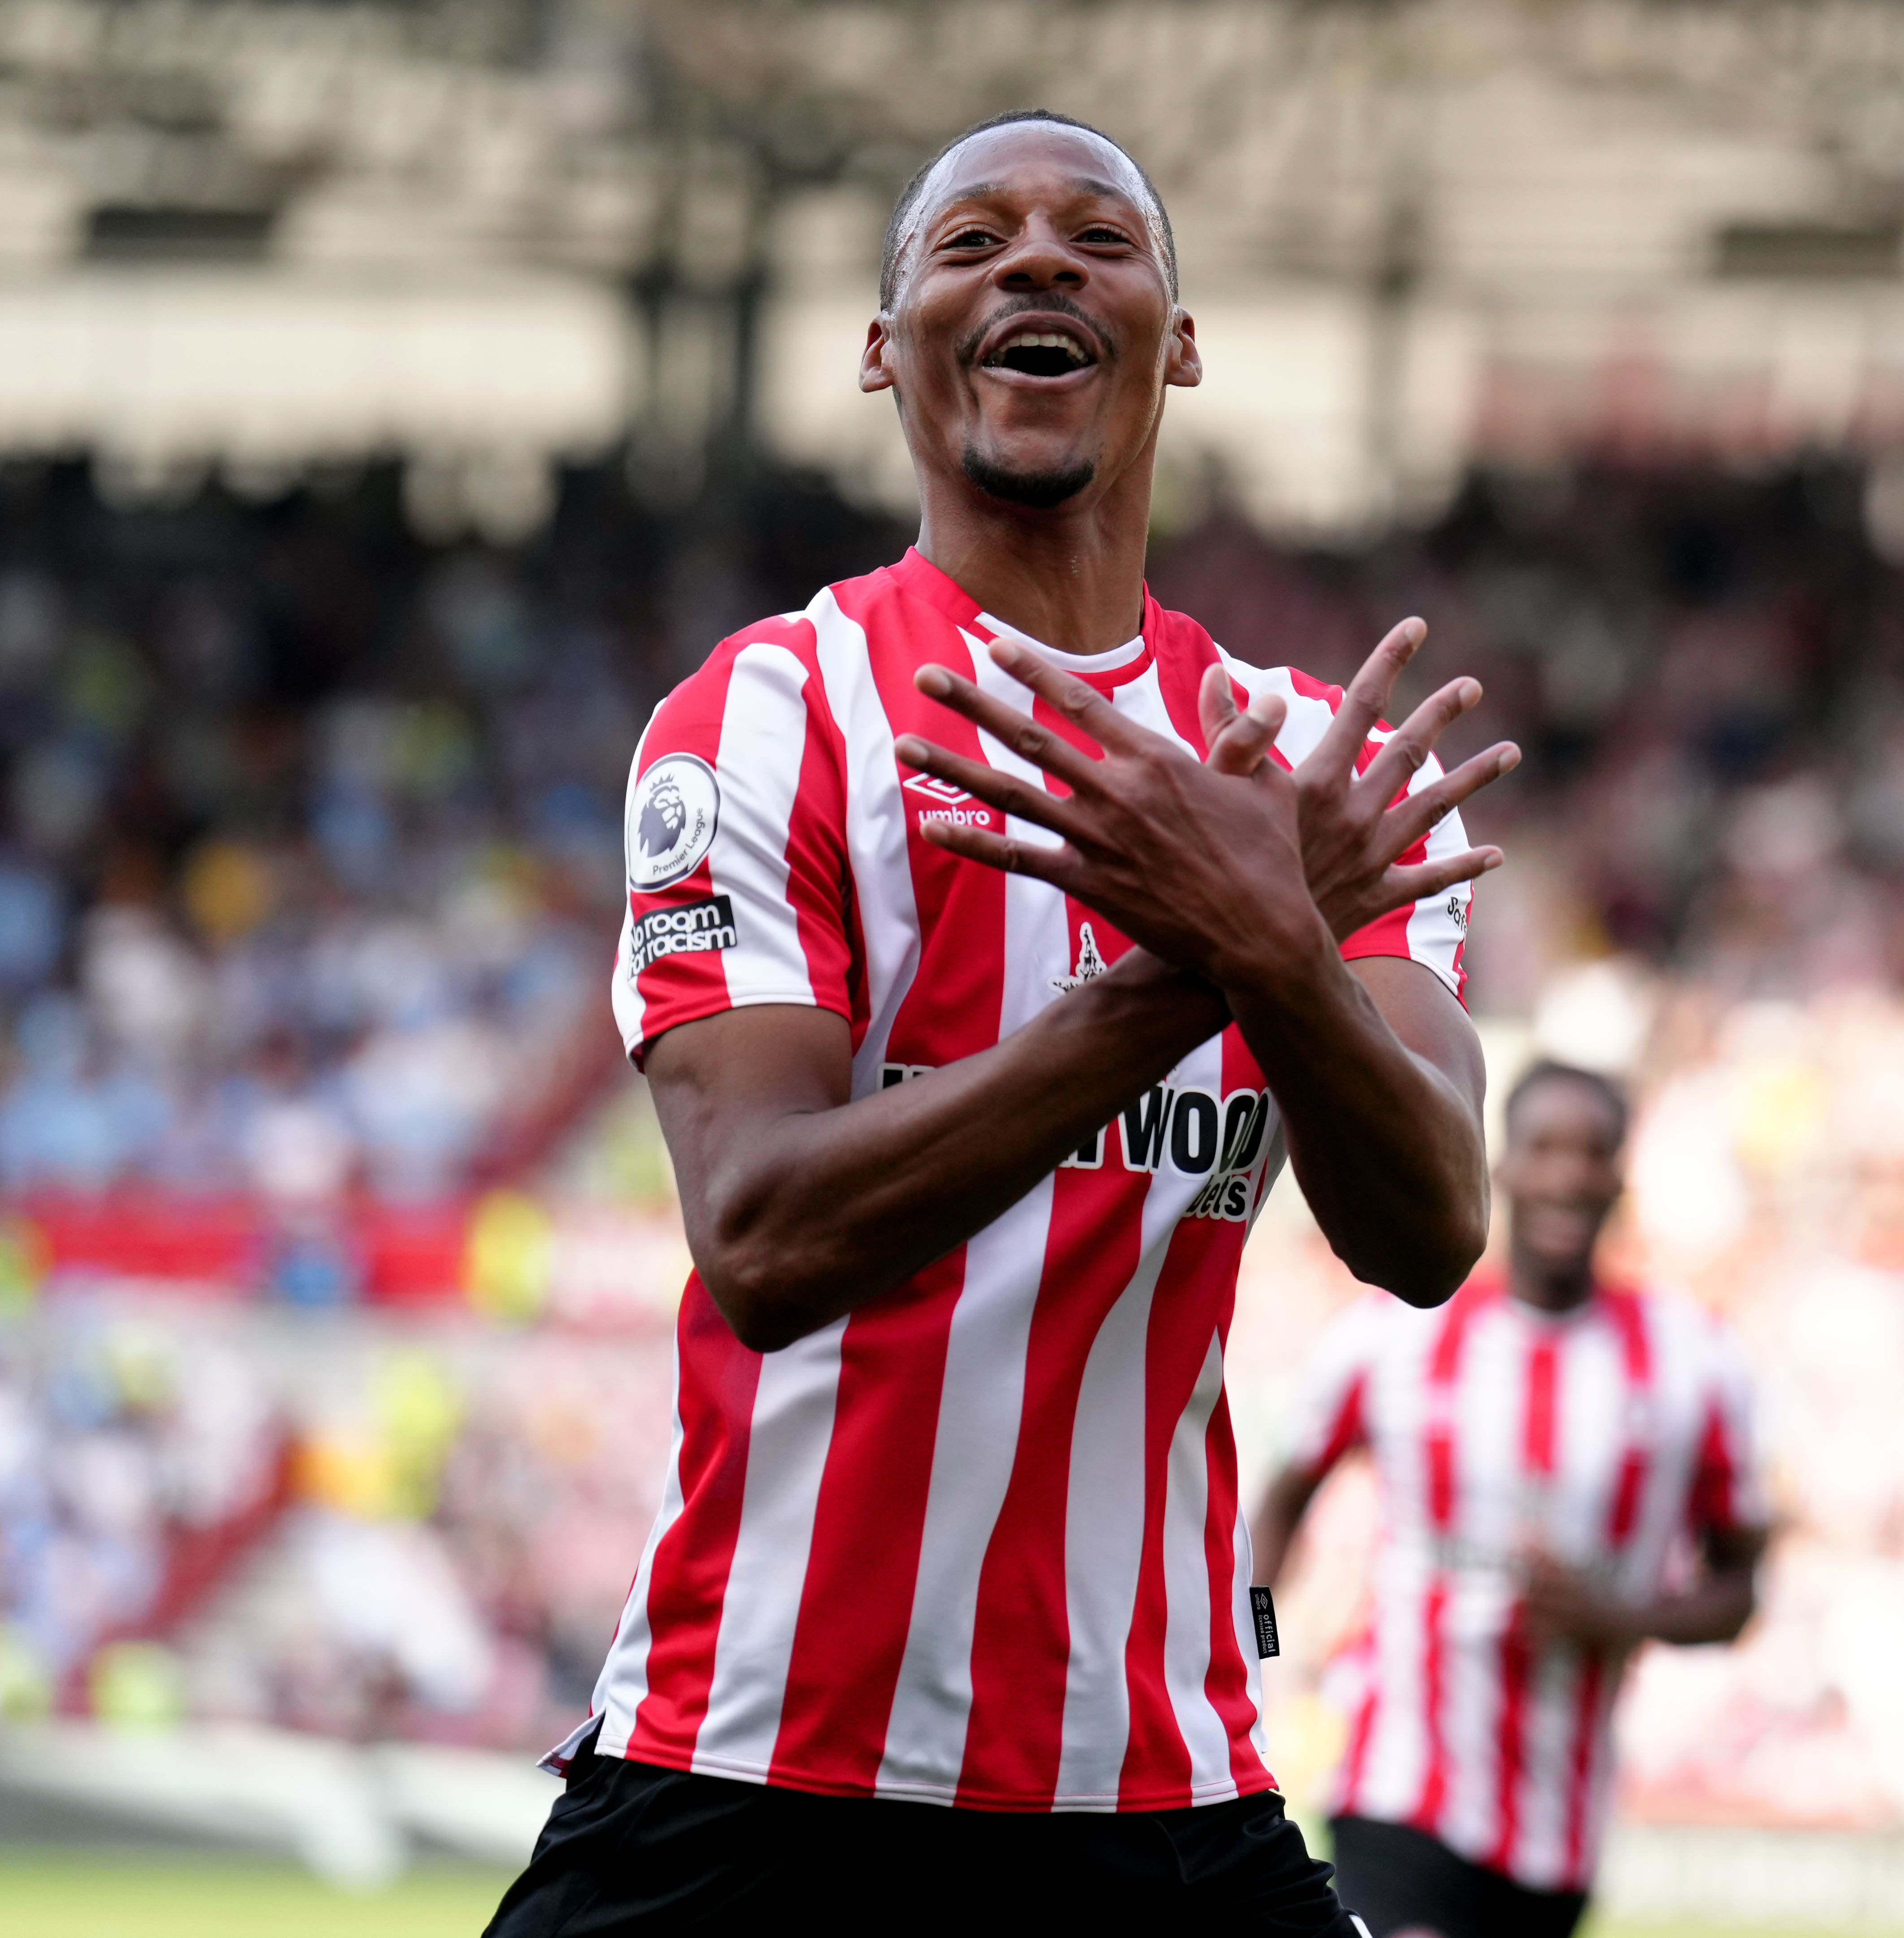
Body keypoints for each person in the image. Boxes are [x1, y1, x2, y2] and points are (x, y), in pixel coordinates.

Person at [485, 108, 1520, 1936]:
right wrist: (1208, 961)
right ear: (884, 354)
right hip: (753, 1775)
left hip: (1149, 1791)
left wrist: (1274, 948)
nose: (1034, 260)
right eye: (968, 244)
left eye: (1094, 239)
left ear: (1176, 343)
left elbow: (1429, 1227)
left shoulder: (1312, 765)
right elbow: (767, 1237)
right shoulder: (765, 720)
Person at [1251, 1065, 1773, 1938]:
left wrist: (1620, 1614)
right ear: (1503, 1164)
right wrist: (1250, 1650)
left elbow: (1740, 1592)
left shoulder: (1694, 1363)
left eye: (1593, 1152)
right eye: (1544, 1150)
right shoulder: (1393, 1336)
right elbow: (1277, 1506)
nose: (1567, 1175)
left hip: (1560, 1833)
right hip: (1397, 1789)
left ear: (1621, 1175)